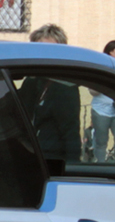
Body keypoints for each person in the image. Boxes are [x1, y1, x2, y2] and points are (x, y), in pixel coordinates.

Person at [16, 23, 81, 165]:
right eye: (38, 49)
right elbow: (15, 107)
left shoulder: (65, 86)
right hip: (30, 156)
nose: (42, 54)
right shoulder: (33, 82)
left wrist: (73, 169)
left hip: (52, 160)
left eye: (49, 49)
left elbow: (70, 133)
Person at [90, 40, 115, 163]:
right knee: (101, 142)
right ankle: (100, 168)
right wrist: (105, 83)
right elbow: (92, 91)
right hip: (100, 110)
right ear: (110, 52)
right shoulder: (100, 67)